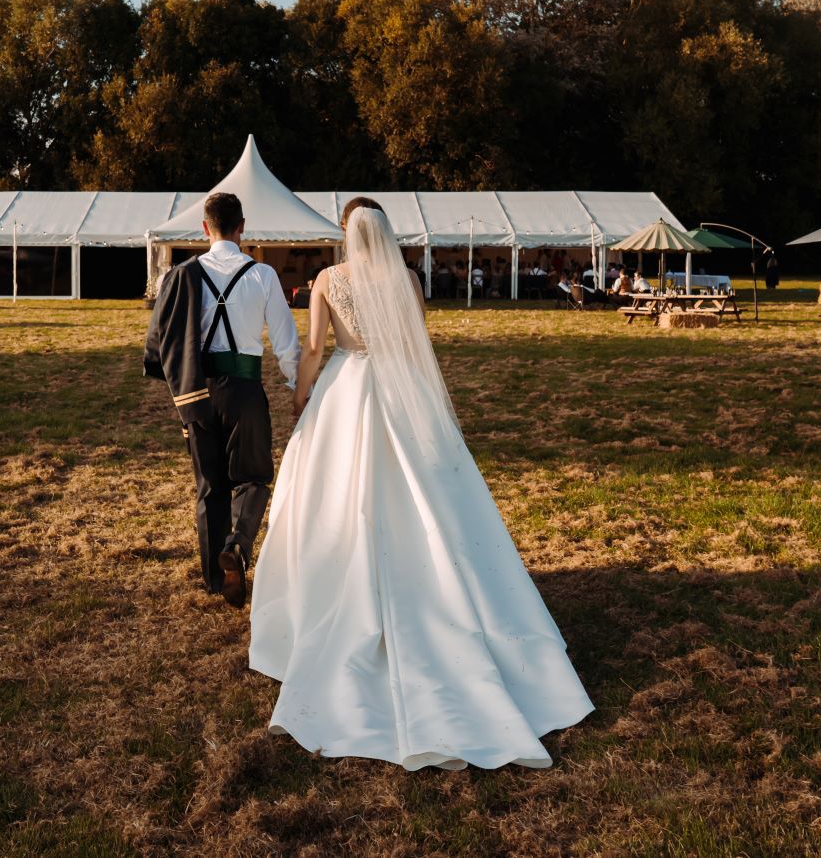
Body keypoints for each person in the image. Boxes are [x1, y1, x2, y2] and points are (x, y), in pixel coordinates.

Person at [250, 199, 593, 770]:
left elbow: (313, 349)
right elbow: (415, 340)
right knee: (431, 496)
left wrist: (300, 395)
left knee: (337, 498)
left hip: (347, 388)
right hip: (402, 388)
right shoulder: (407, 278)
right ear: (385, 232)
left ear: (345, 233)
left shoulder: (328, 280)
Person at [143, 192, 300, 607]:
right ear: (242, 226)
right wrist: (300, 386)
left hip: (196, 390)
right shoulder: (263, 275)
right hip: (245, 390)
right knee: (251, 477)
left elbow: (158, 342)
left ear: (204, 228)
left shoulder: (178, 275)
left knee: (209, 486)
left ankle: (215, 579)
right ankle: (238, 545)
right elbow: (287, 346)